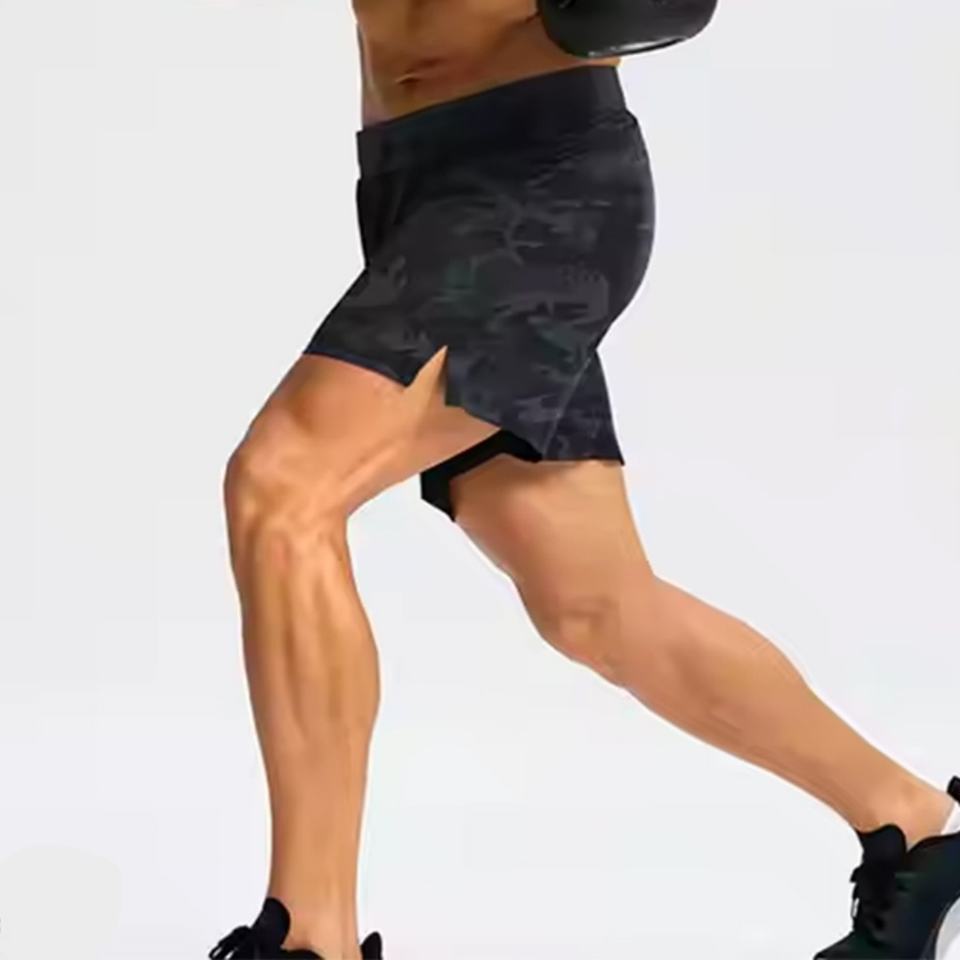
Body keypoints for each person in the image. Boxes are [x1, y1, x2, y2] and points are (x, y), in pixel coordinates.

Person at [207, 2, 960, 958]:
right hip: (416, 182)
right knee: (595, 608)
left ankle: (309, 940)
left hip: (536, 187)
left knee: (282, 488)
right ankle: (917, 829)